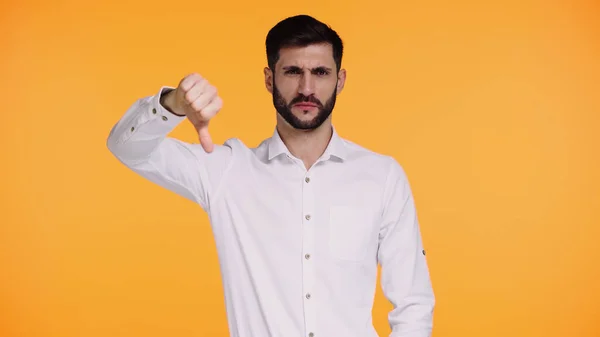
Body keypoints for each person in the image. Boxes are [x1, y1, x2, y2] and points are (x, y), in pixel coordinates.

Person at [107, 14, 435, 337]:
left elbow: (413, 306)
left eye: (320, 72)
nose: (307, 88)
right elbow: (127, 146)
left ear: (340, 79)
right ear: (269, 79)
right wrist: (172, 104)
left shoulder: (382, 176)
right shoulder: (227, 171)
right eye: (293, 71)